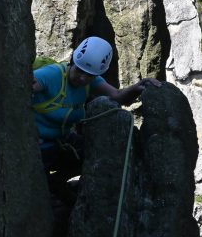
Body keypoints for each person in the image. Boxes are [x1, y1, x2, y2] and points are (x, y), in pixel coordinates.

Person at [31, 36, 161, 198]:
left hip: (60, 141)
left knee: (97, 154)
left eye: (90, 75)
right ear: (73, 62)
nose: (83, 78)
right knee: (39, 189)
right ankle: (51, 187)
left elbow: (118, 97)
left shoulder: (91, 81)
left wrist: (138, 87)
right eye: (79, 71)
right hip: (38, 145)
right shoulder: (51, 75)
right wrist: (26, 131)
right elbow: (17, 89)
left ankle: (57, 182)